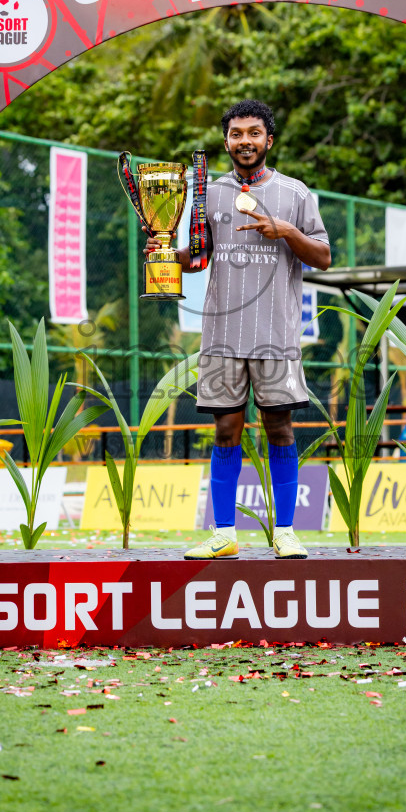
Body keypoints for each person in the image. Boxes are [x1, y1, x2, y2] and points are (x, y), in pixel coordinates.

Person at [144, 99, 331, 560]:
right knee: (225, 430)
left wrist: (286, 230)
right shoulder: (206, 192)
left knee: (280, 429)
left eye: (253, 133)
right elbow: (200, 257)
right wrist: (164, 250)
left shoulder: (296, 193)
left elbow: (324, 256)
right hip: (223, 335)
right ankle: (223, 533)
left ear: (269, 140)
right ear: (226, 140)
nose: (244, 141)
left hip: (276, 335)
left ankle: (285, 532)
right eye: (236, 133)